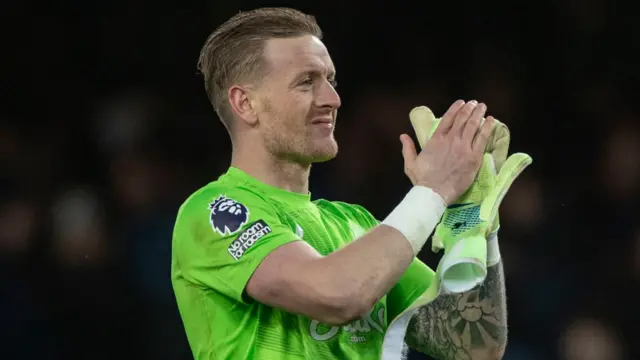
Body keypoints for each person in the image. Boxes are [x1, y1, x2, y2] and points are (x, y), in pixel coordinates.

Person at [171, 7, 508, 360]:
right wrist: (433, 192)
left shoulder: (356, 225)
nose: (333, 99)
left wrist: (472, 218)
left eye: (331, 80)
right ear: (245, 103)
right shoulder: (213, 212)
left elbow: (476, 345)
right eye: (306, 81)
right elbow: (336, 294)